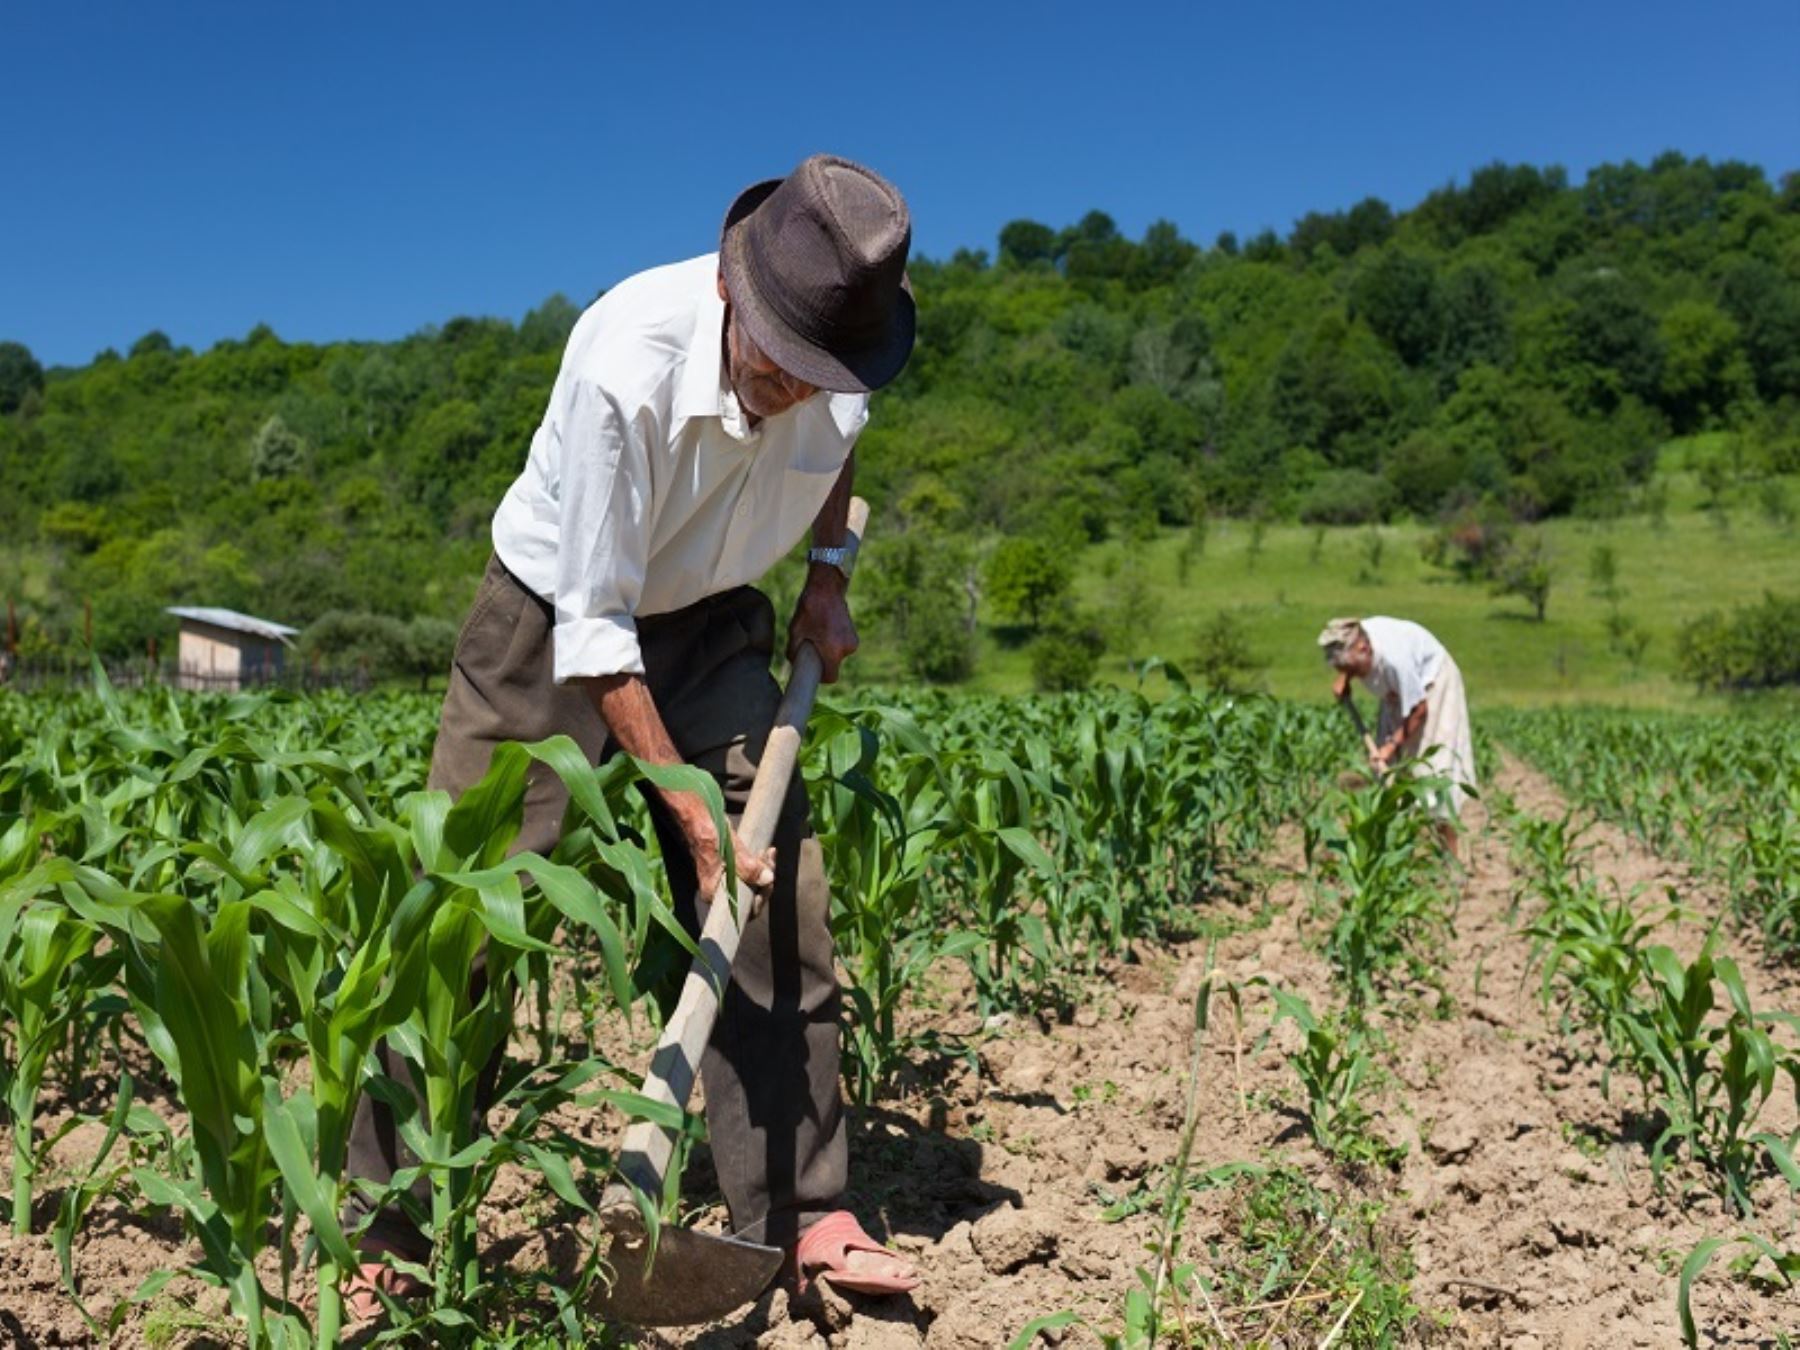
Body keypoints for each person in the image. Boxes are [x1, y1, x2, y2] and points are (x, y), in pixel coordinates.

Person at [341, 154, 921, 1321]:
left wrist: (827, 575)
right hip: (556, 613)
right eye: (776, 365)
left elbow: (840, 450)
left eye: (819, 377)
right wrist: (685, 810)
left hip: (713, 617)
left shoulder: (841, 363)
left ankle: (800, 1215)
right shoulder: (625, 361)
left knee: (777, 892)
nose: (793, 393)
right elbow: (596, 633)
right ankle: (383, 1219)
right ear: (730, 289)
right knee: (466, 906)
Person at [1318, 616, 1475, 848]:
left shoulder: (1395, 660)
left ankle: (1450, 862)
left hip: (1433, 686)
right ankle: (1395, 850)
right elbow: (1348, 656)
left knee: (1433, 773)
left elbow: (1419, 709)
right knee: (1387, 772)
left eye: (1350, 668)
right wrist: (1346, 677)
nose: (1351, 673)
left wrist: (1392, 745)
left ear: (1364, 649)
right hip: (1397, 691)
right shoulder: (1357, 638)